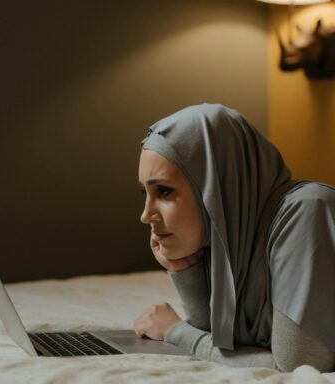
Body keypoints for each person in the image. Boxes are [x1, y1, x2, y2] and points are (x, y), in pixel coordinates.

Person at [134, 103, 335, 372]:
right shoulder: (235, 239)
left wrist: (176, 332)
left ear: (216, 185)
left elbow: (298, 367)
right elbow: (221, 341)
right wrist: (183, 267)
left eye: (164, 191)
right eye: (144, 193)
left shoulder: (307, 211)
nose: (146, 215)